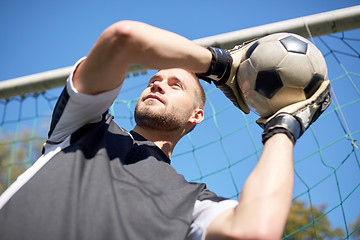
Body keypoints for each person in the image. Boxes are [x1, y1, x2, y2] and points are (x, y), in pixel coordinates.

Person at [0, 21, 331, 240]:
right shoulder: (83, 127)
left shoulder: (192, 202)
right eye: (153, 80)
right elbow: (122, 39)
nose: (157, 84)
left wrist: (284, 127)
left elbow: (255, 231)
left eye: (176, 85)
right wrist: (220, 65)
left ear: (196, 115)